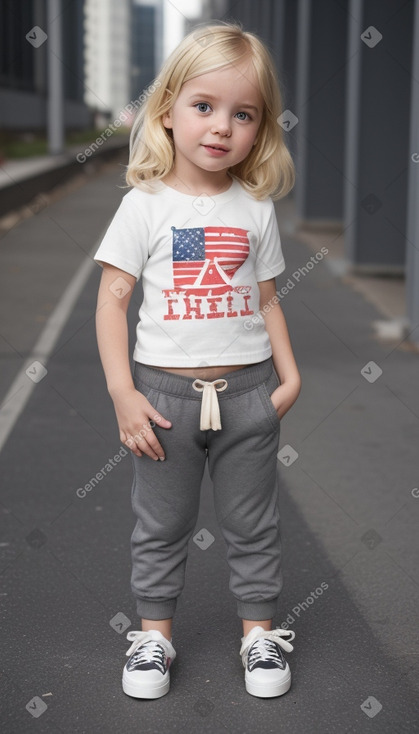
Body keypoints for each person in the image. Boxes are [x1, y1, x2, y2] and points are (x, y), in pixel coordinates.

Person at [94, 21, 301, 700]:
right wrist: (124, 394)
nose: (220, 127)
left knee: (253, 524)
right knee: (161, 525)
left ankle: (258, 635)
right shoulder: (144, 204)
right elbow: (111, 304)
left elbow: (267, 301)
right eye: (203, 106)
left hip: (247, 396)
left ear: (260, 127)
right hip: (163, 400)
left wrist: (287, 378)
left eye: (242, 114)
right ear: (167, 111)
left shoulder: (255, 209)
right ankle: (154, 637)